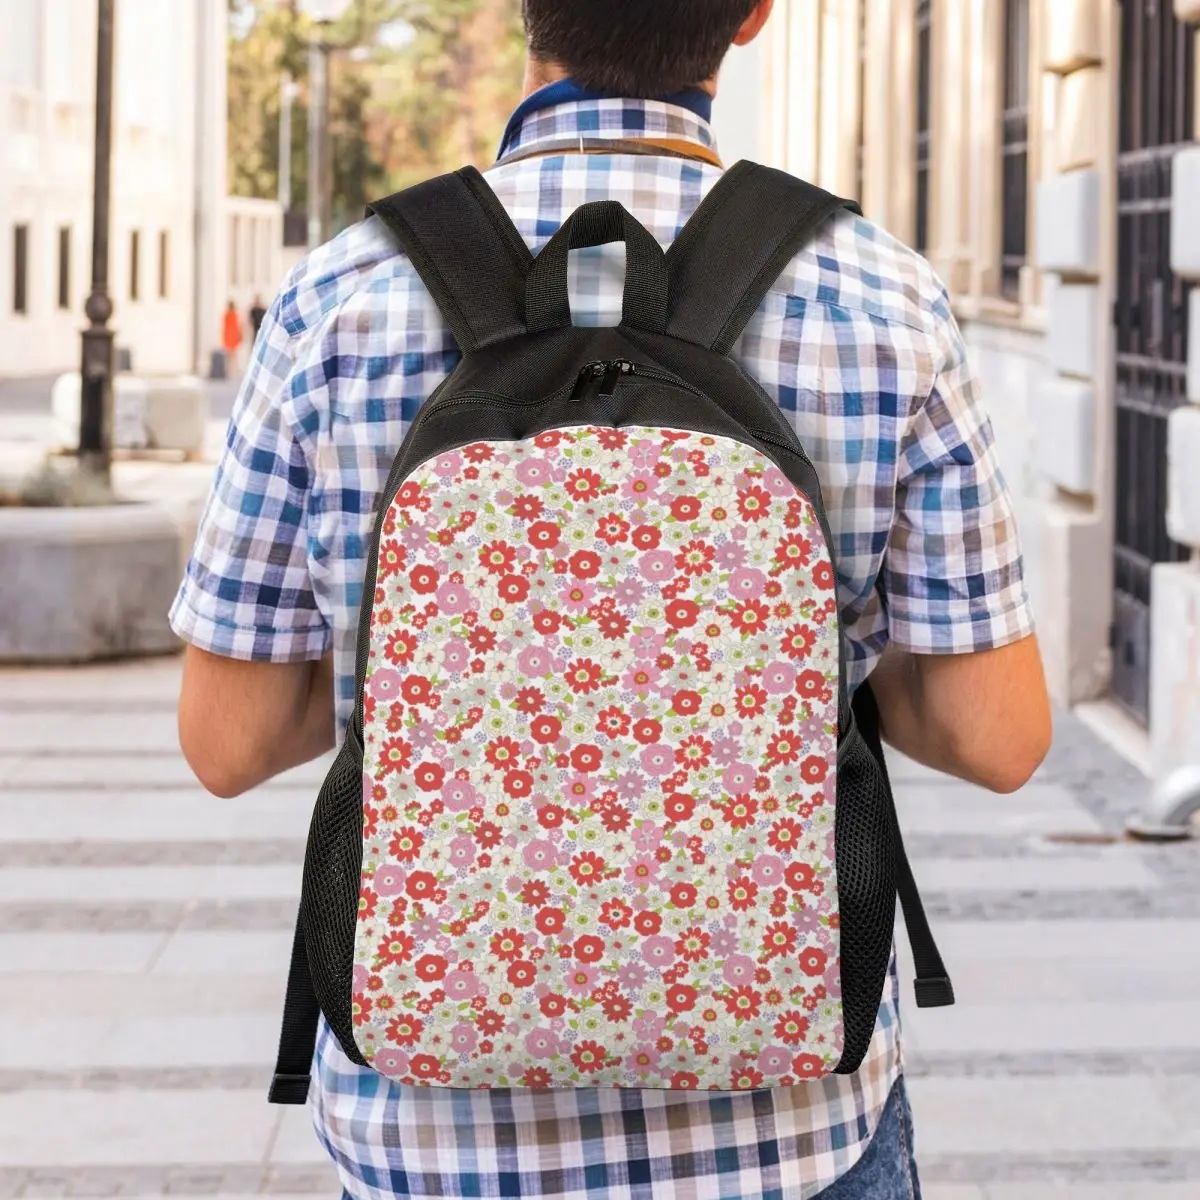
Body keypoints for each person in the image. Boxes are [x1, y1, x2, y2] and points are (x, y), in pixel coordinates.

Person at [171, 1, 1053, 1196]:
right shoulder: (878, 294)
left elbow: (228, 741)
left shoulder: (340, 296)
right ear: (752, 17)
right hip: (787, 1130)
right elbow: (995, 735)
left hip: (431, 1133)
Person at [221, 299, 243, 375]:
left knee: (230, 355)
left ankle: (230, 370)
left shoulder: (227, 314)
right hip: (233, 335)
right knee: (233, 355)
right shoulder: (234, 314)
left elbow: (225, 326)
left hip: (229, 335)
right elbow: (238, 325)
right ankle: (233, 370)